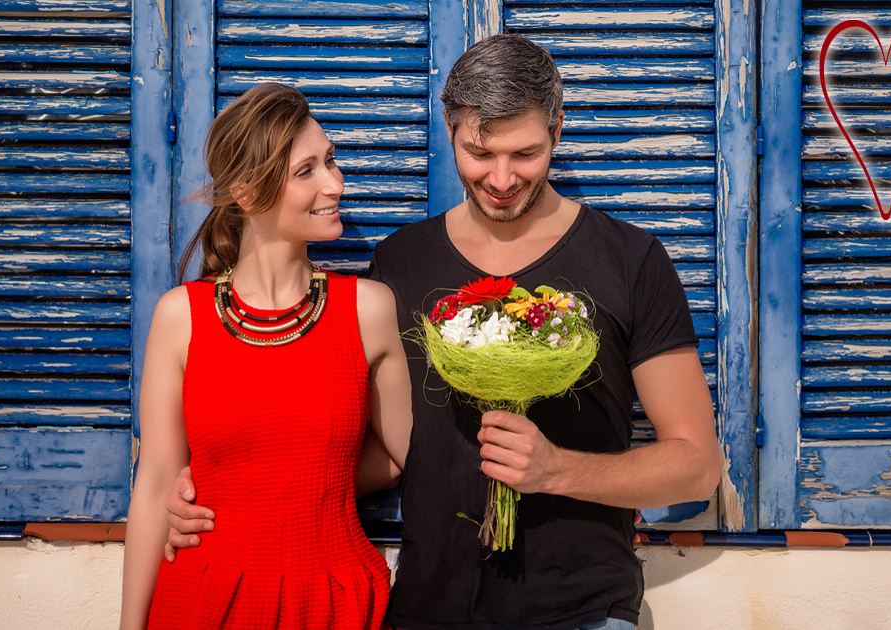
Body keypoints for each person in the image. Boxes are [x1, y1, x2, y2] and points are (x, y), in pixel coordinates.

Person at [164, 35, 720, 630]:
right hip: (428, 610)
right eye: (480, 153)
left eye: (525, 154)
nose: (502, 178)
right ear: (449, 129)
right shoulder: (399, 265)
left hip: (582, 611)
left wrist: (557, 469)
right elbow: (384, 454)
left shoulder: (630, 260)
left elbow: (696, 463)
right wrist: (225, 491)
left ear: (557, 130)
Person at [119, 83, 413, 630]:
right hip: (204, 599)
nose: (335, 183)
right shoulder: (180, 317)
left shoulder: (368, 310)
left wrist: (289, 488)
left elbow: (406, 458)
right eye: (307, 171)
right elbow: (157, 481)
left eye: (330, 160)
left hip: (333, 598)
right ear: (249, 194)